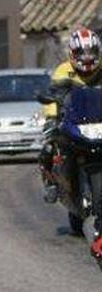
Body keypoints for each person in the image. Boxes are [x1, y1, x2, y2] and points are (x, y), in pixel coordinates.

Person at [39, 27, 102, 203]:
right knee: (49, 147)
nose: (87, 57)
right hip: (72, 121)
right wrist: (51, 118)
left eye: (92, 52)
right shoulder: (63, 71)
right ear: (73, 53)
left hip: (99, 121)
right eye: (82, 52)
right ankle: (51, 184)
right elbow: (53, 97)